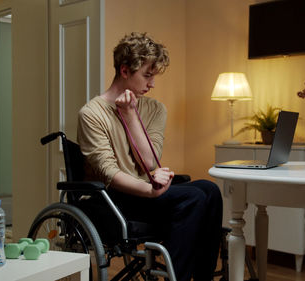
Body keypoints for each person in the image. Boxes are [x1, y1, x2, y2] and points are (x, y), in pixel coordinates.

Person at [77, 32, 223, 281]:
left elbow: (151, 161)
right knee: (193, 198)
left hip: (145, 190)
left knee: (210, 190)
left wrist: (131, 115)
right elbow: (109, 173)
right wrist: (148, 190)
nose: (152, 83)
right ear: (125, 71)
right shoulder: (91, 114)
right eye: (147, 75)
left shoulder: (155, 109)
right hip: (116, 196)